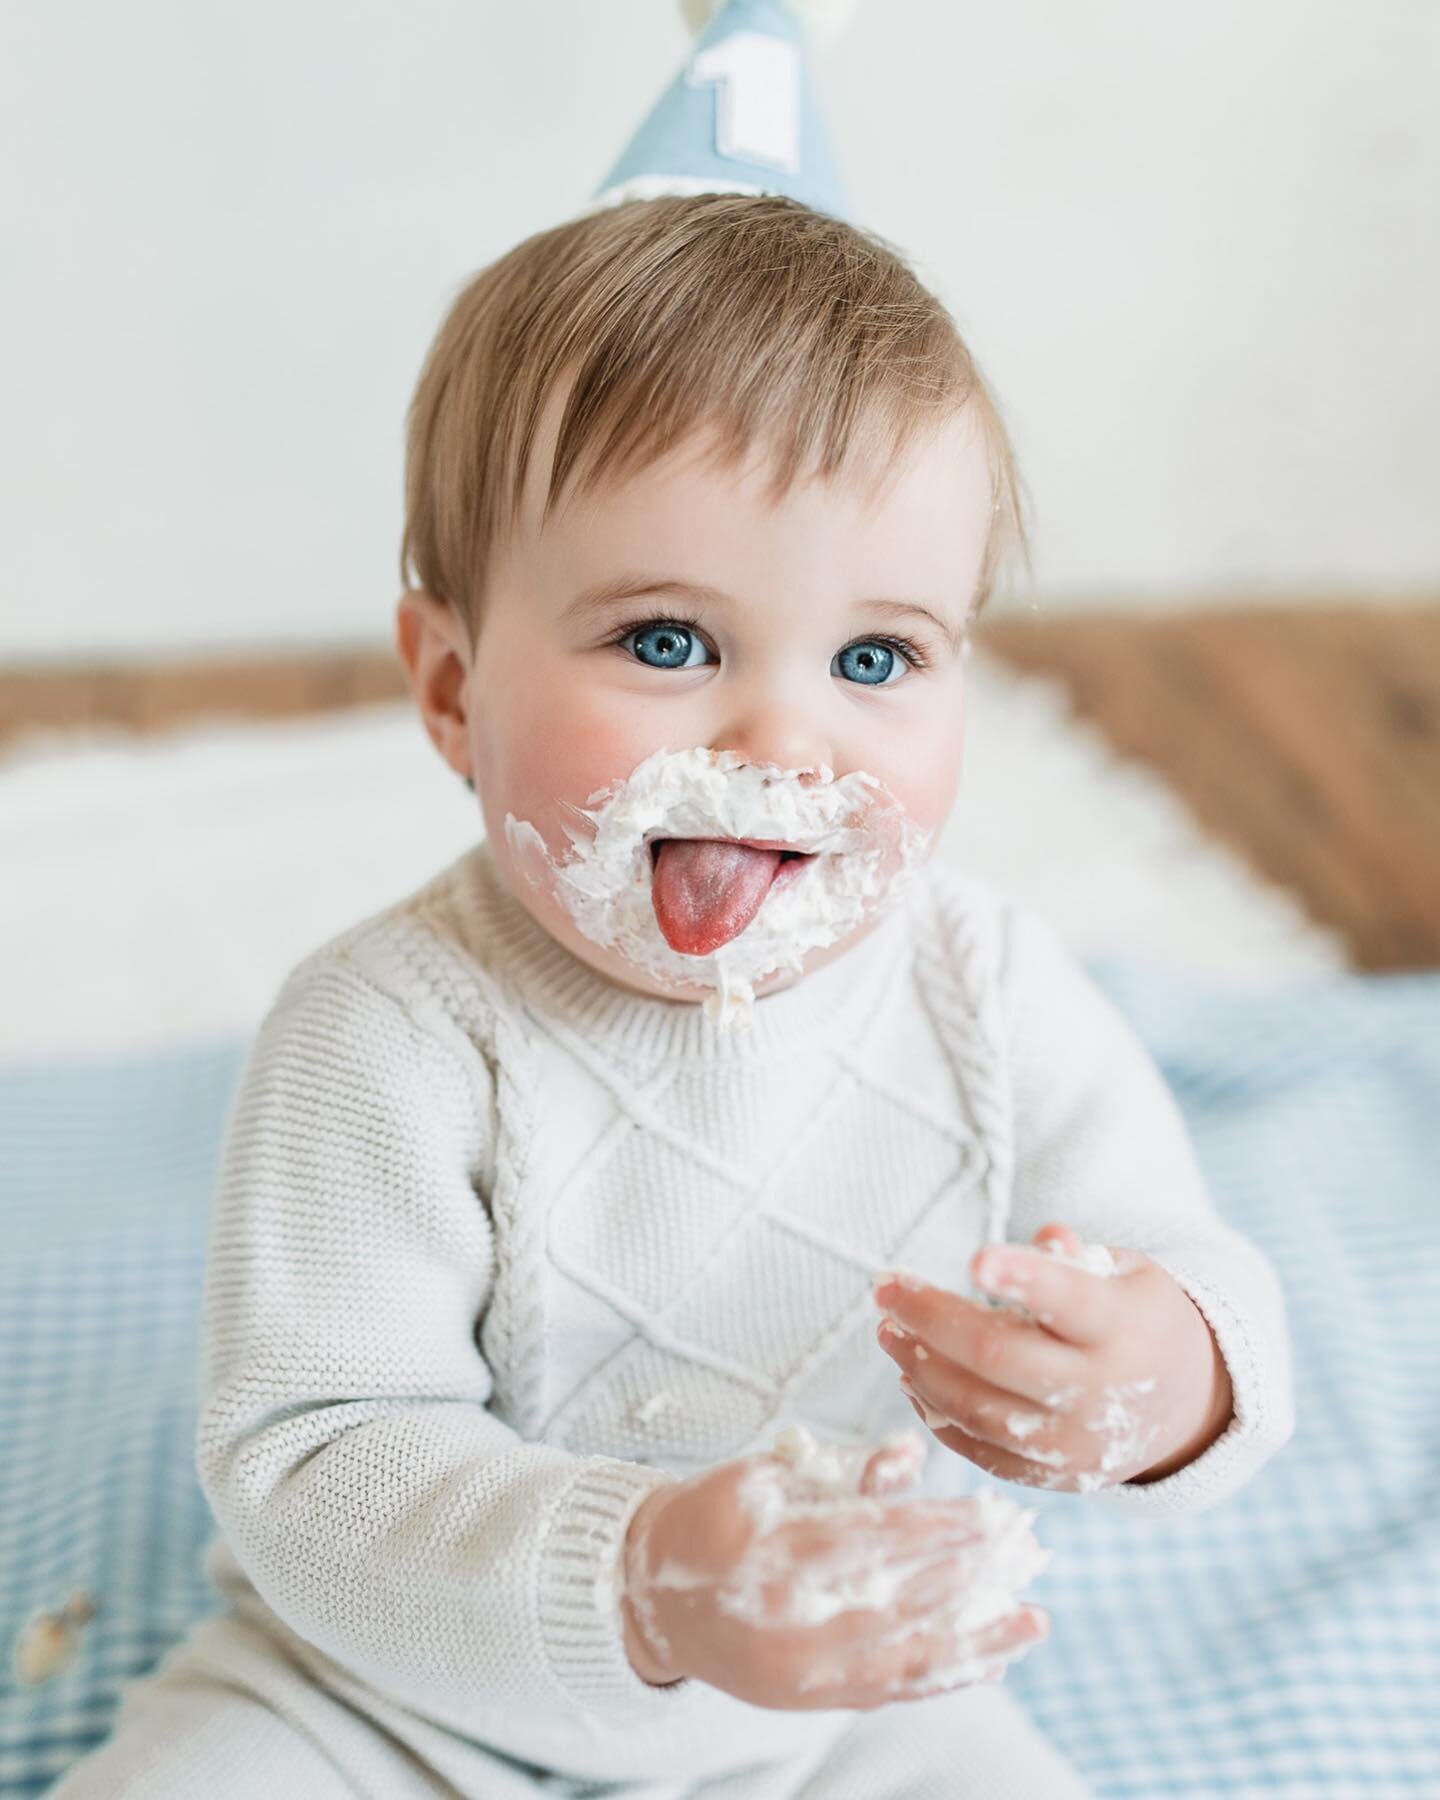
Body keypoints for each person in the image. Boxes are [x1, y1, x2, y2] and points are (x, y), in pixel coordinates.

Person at [49, 9, 1293, 1797]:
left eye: (877, 653)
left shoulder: (988, 987)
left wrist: (1170, 1378)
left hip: (846, 1691)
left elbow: (1190, 1263)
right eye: (664, 639)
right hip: (382, 1697)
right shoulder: (385, 1030)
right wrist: (637, 1576)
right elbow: (316, 1462)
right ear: (455, 688)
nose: (782, 731)